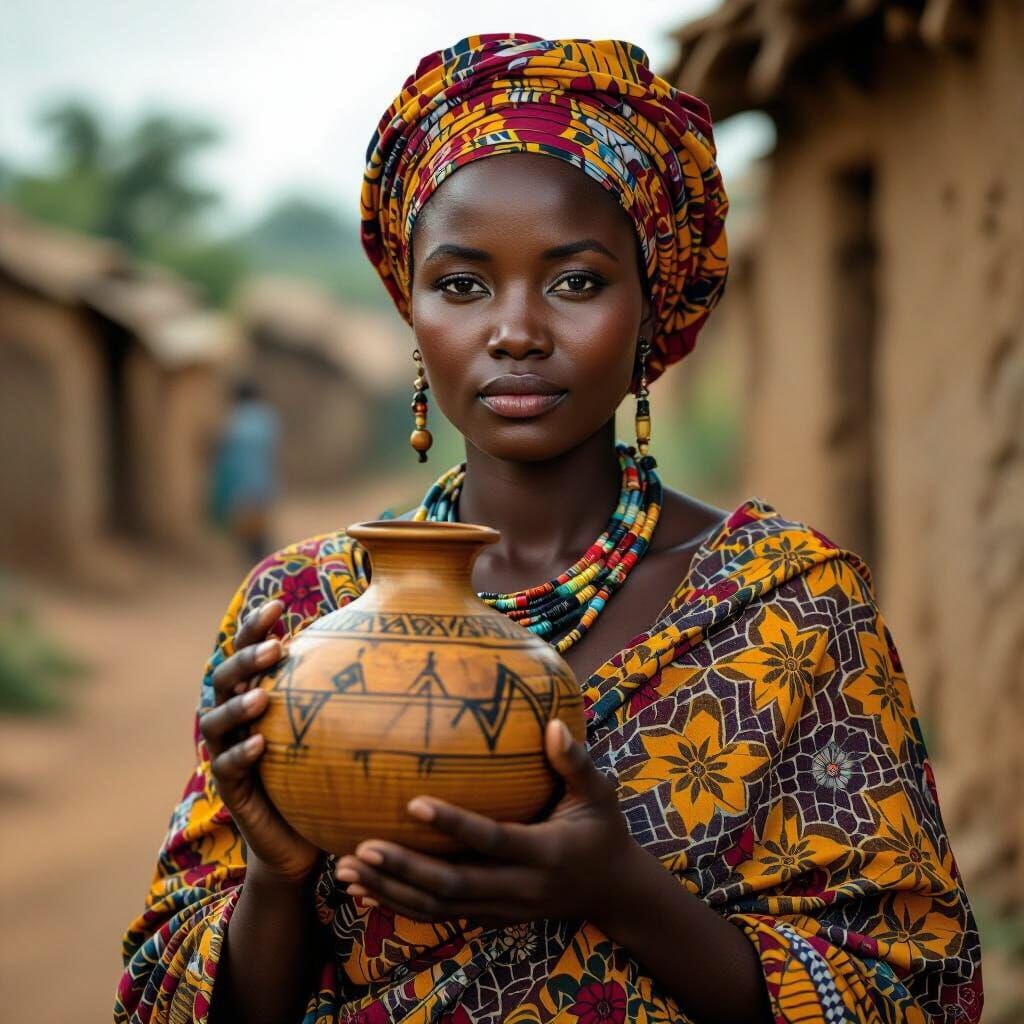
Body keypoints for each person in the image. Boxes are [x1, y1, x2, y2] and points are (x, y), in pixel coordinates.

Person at [116, 35, 982, 1024]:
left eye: (574, 282)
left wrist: (617, 890)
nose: (515, 330)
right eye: (462, 284)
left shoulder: (789, 607)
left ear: (653, 306)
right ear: (411, 312)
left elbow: (909, 990)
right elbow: (174, 1003)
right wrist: (275, 872)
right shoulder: (299, 614)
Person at [208, 378, 281, 567]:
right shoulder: (267, 419)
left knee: (245, 534)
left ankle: (252, 568)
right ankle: (263, 566)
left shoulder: (233, 421)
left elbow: (225, 457)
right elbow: (272, 454)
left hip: (239, 485)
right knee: (260, 532)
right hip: (263, 483)